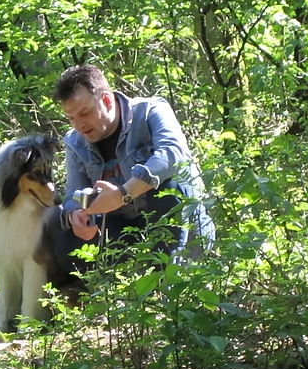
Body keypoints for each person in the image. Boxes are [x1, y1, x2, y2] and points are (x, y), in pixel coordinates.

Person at [52, 64, 215, 276]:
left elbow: (174, 154)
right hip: (127, 229)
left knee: (167, 185)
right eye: (71, 118)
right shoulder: (74, 142)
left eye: (85, 113)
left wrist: (123, 194)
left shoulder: (150, 110)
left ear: (107, 100)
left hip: (181, 226)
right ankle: (130, 285)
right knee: (66, 245)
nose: (79, 125)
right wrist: (75, 215)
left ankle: (168, 278)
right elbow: (74, 192)